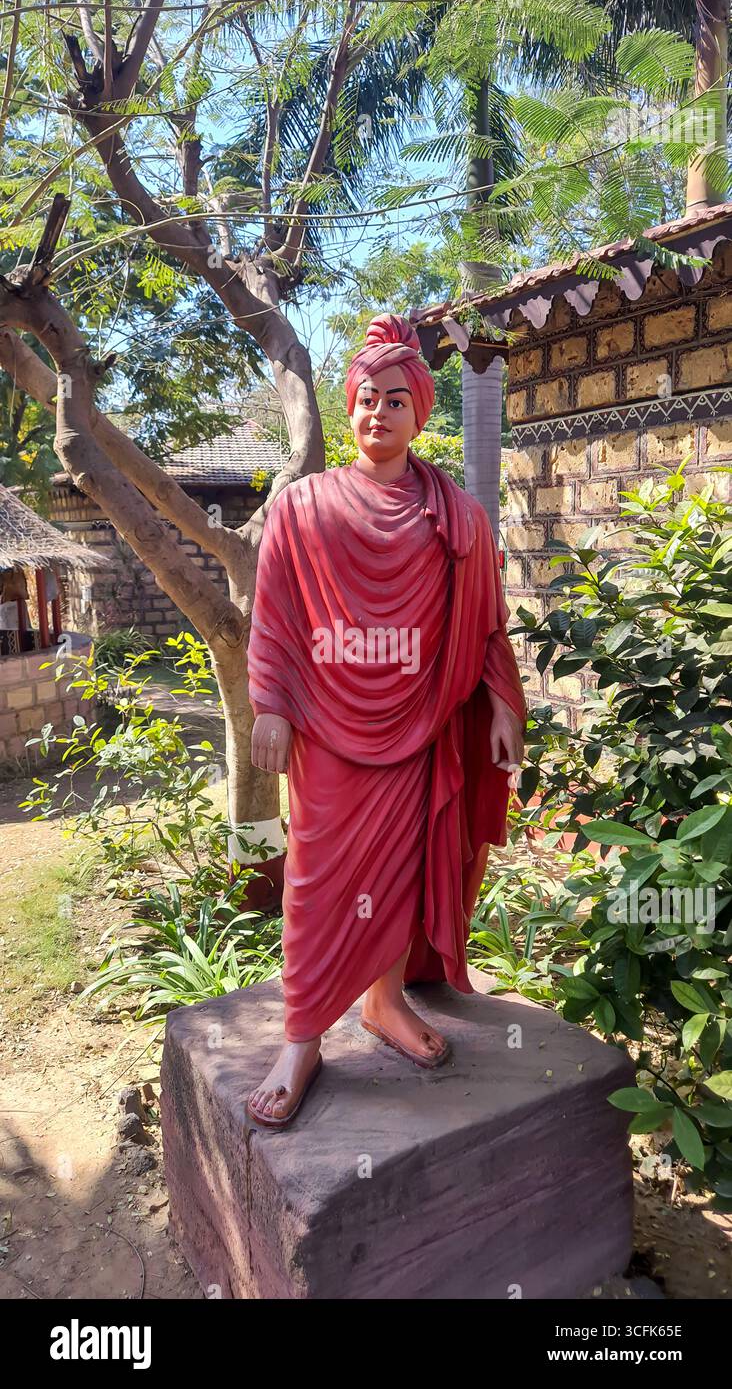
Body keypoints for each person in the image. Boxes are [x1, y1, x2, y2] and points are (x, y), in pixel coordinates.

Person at [246, 314, 526, 1128]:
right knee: (317, 879)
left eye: (395, 400)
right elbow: (277, 614)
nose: (377, 413)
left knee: (398, 875)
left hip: (424, 721)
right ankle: (302, 1034)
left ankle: (384, 1001)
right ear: (350, 406)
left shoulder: (458, 518)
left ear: (420, 413)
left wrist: (501, 704)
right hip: (330, 728)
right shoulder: (301, 508)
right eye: (366, 398)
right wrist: (272, 700)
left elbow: (485, 620)